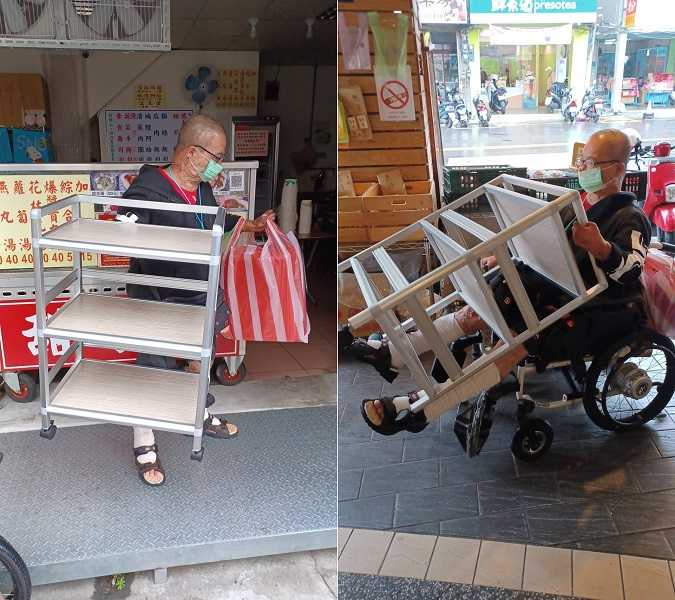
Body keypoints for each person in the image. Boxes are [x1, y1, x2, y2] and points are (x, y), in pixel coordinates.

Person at [349, 129, 651, 455]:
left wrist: (603, 249)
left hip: (598, 309)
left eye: (590, 162)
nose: (582, 168)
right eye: (581, 159)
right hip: (557, 293)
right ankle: (393, 354)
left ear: (618, 169)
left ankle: (421, 405)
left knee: (515, 339)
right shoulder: (575, 205)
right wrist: (506, 250)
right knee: (478, 309)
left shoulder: (629, 217)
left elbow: (633, 268)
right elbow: (541, 240)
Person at [122, 115, 274, 486]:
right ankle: (144, 441)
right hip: (156, 294)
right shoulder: (149, 187)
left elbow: (211, 221)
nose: (220, 164)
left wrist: (247, 225)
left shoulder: (202, 187)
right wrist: (124, 223)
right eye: (217, 156)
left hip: (197, 292)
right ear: (192, 153)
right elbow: (123, 222)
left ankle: (198, 416)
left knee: (199, 359)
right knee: (153, 367)